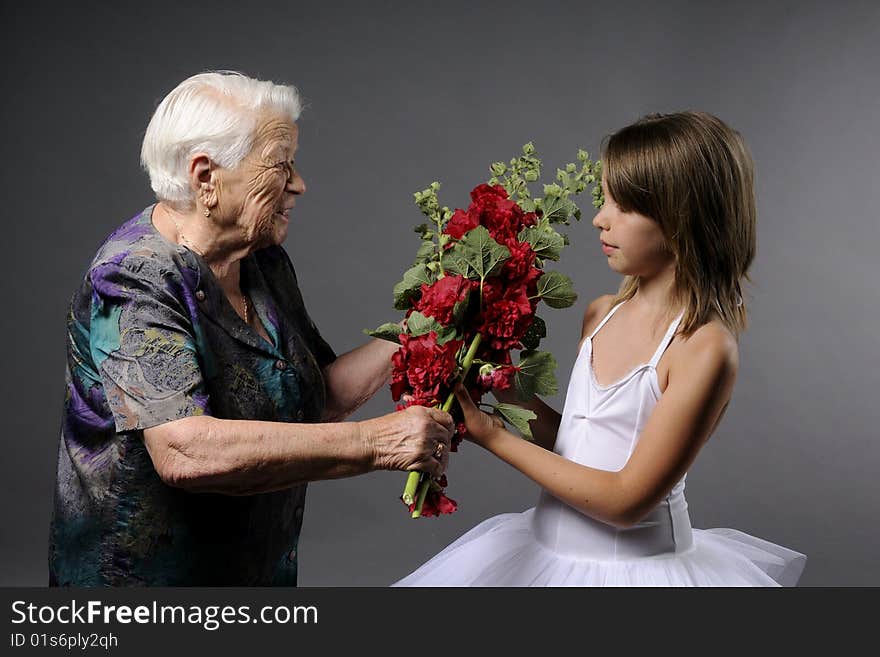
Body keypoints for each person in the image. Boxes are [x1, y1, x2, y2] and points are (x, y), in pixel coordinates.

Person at [49, 71, 453, 586]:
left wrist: (422, 329)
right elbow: (183, 451)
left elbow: (315, 398)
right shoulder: (134, 276)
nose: (299, 183)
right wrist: (376, 444)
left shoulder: (261, 260)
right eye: (281, 165)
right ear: (205, 177)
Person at [394, 111, 808, 586]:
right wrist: (502, 387)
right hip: (546, 552)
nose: (598, 219)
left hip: (636, 571)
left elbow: (625, 501)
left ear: (683, 220)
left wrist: (493, 435)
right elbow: (574, 446)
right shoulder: (601, 314)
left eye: (623, 206)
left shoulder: (703, 347)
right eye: (603, 200)